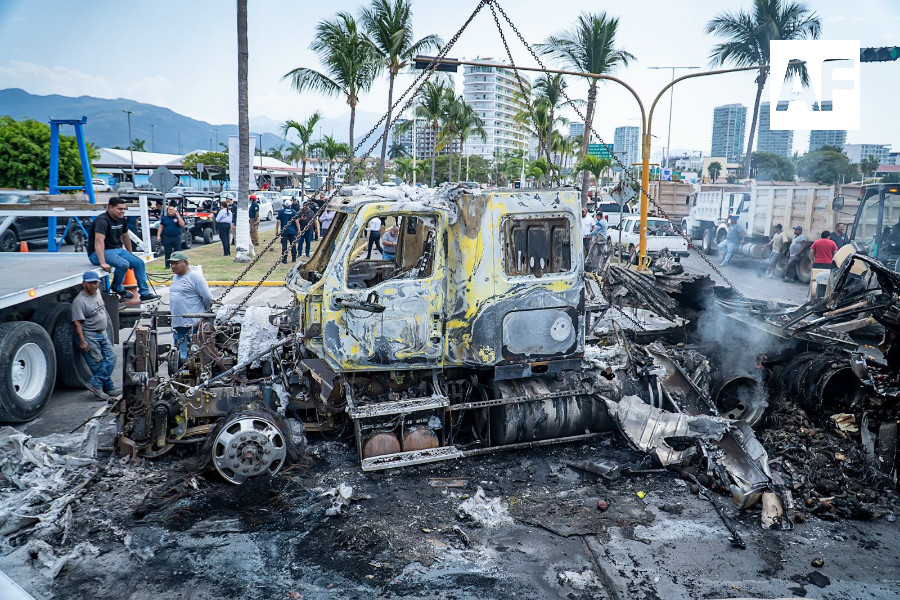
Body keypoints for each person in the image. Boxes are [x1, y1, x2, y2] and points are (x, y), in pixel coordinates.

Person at [87, 197, 158, 302]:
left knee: (139, 263)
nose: (123, 211)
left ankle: (145, 294)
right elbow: (99, 241)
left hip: (117, 250)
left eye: (124, 209)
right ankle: (117, 287)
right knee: (123, 264)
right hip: (97, 253)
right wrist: (102, 262)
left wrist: (130, 254)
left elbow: (125, 236)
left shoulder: (122, 219)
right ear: (110, 208)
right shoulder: (102, 220)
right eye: (120, 209)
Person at [72, 271, 118, 400]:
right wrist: (82, 341)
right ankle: (106, 387)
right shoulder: (79, 301)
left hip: (102, 333)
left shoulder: (97, 292)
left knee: (111, 357)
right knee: (97, 363)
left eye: (95, 282)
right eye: (90, 283)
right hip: (89, 335)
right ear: (83, 284)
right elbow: (77, 323)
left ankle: (97, 384)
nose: (93, 285)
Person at [168, 251, 214, 361]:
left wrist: (205, 313)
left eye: (176, 263)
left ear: (185, 263)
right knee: (179, 356)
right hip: (178, 324)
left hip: (192, 325)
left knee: (187, 357)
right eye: (171, 263)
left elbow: (208, 298)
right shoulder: (176, 277)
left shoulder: (195, 277)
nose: (173, 266)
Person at [157, 203, 185, 268]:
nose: (171, 211)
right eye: (169, 210)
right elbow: (161, 227)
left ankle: (179, 265)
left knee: (178, 252)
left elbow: (182, 225)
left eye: (172, 210)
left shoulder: (177, 217)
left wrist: (178, 216)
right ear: (167, 210)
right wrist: (158, 235)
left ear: (174, 210)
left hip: (176, 237)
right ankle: (167, 265)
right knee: (167, 252)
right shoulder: (164, 218)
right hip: (167, 237)